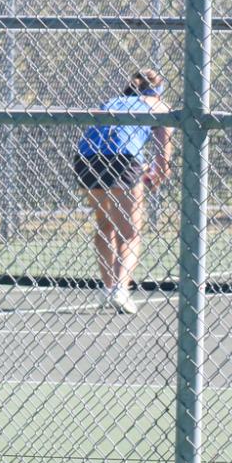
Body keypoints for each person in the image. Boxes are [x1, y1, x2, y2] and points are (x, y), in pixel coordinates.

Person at [73, 68, 173, 314]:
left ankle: (109, 290)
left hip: (86, 159)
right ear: (158, 91)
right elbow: (163, 162)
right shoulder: (159, 107)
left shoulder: (111, 102)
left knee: (105, 224)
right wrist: (154, 174)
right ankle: (120, 289)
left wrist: (140, 174)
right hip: (122, 159)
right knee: (130, 233)